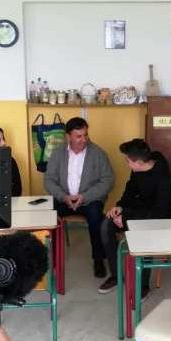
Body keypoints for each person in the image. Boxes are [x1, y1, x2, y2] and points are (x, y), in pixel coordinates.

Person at [98, 139, 171, 295]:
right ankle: (116, 275)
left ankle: (143, 285)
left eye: (128, 161)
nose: (126, 163)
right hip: (137, 212)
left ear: (139, 162)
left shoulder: (162, 177)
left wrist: (126, 217)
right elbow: (130, 191)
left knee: (144, 234)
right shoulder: (137, 169)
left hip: (158, 218)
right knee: (106, 225)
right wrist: (120, 207)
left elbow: (159, 212)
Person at [44, 117, 115, 278]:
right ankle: (52, 258)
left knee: (96, 217)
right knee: (49, 217)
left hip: (89, 200)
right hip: (64, 199)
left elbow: (108, 180)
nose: (84, 139)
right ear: (68, 136)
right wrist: (64, 197)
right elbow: (48, 180)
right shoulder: (58, 153)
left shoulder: (98, 153)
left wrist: (85, 196)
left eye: (86, 135)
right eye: (79, 136)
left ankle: (98, 259)